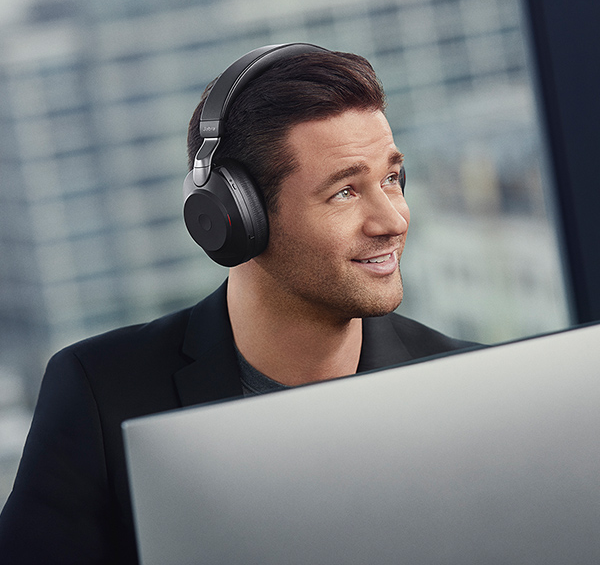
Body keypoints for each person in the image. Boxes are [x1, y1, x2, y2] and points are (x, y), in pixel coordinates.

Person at [0, 44, 477, 564]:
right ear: (235, 217)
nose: (393, 220)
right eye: (344, 191)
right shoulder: (99, 391)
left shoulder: (471, 387)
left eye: (390, 179)